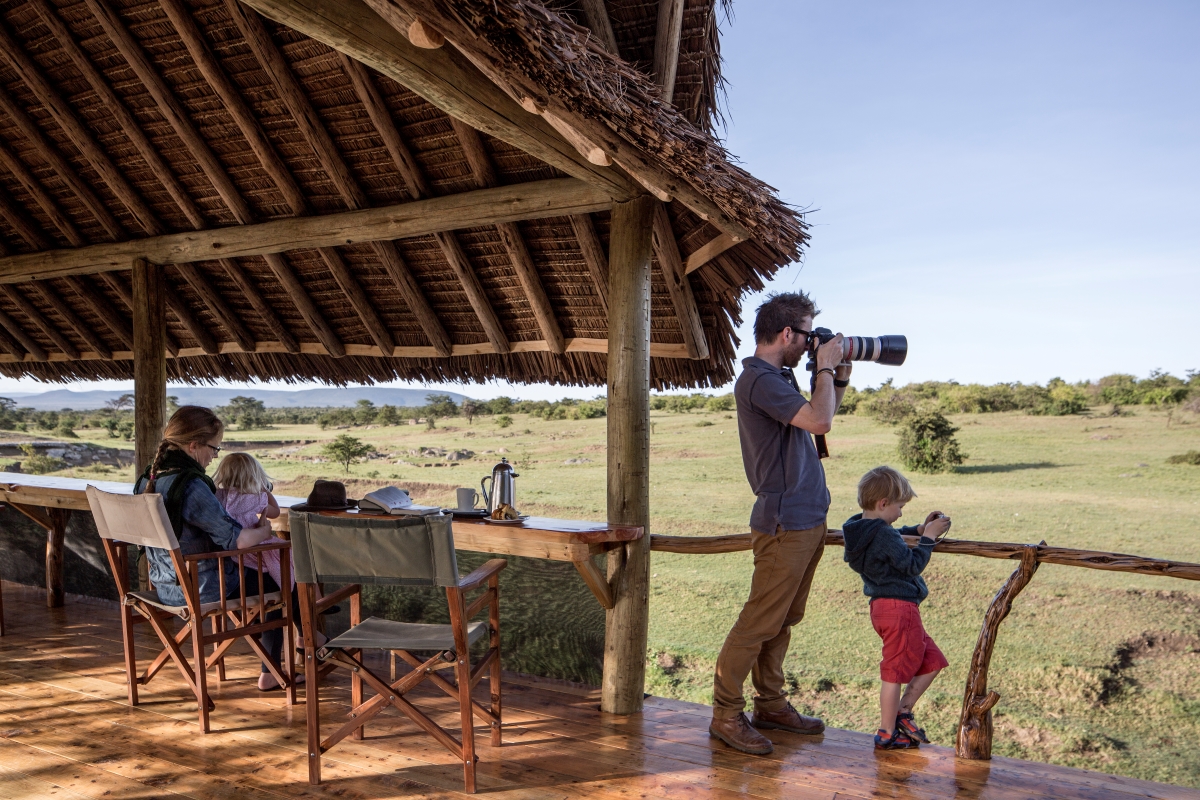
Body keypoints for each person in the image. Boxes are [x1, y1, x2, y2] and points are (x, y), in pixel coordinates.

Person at [709, 291, 852, 755]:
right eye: (808, 336)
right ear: (787, 333)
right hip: (785, 520)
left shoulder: (781, 377)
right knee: (757, 622)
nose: (811, 345)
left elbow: (821, 416)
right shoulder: (760, 379)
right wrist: (826, 368)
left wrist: (837, 377)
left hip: (806, 517)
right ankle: (726, 715)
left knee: (783, 619)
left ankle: (769, 704)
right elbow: (820, 422)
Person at [842, 466, 951, 749]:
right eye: (900, 507)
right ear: (883, 504)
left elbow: (890, 537)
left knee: (933, 660)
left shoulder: (861, 529)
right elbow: (911, 563)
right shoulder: (882, 535)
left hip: (883, 608)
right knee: (893, 672)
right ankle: (887, 733)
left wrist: (918, 530)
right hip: (900, 609)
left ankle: (903, 712)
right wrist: (928, 539)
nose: (901, 513)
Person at [135, 406, 274, 608]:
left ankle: (256, 637)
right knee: (280, 582)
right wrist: (264, 532)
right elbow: (237, 540)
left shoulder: (148, 479)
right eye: (214, 448)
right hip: (204, 588)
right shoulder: (191, 485)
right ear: (193, 446)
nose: (215, 456)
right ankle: (303, 638)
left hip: (164, 585)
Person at [213, 452, 304, 691]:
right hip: (252, 555)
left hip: (229, 564)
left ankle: (308, 631)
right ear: (255, 477)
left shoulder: (217, 496)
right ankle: (304, 632)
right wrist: (266, 489)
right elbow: (274, 512)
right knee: (287, 576)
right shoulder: (255, 497)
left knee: (284, 580)